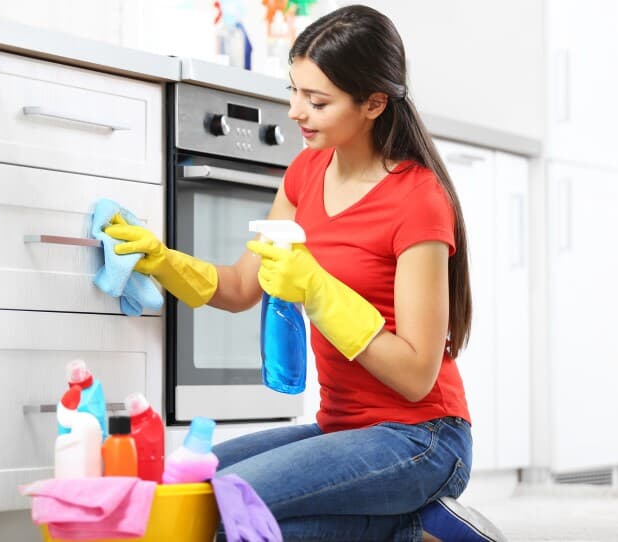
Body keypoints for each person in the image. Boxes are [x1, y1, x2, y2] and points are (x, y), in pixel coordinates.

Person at [105, 4, 506, 541]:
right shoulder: (304, 172)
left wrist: (318, 291)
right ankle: (415, 532)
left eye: (317, 101)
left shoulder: (417, 200)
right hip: (341, 428)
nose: (296, 111)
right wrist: (160, 257)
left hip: (423, 437)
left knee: (231, 504)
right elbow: (241, 287)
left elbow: (416, 376)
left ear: (374, 103)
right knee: (185, 488)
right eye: (294, 90)